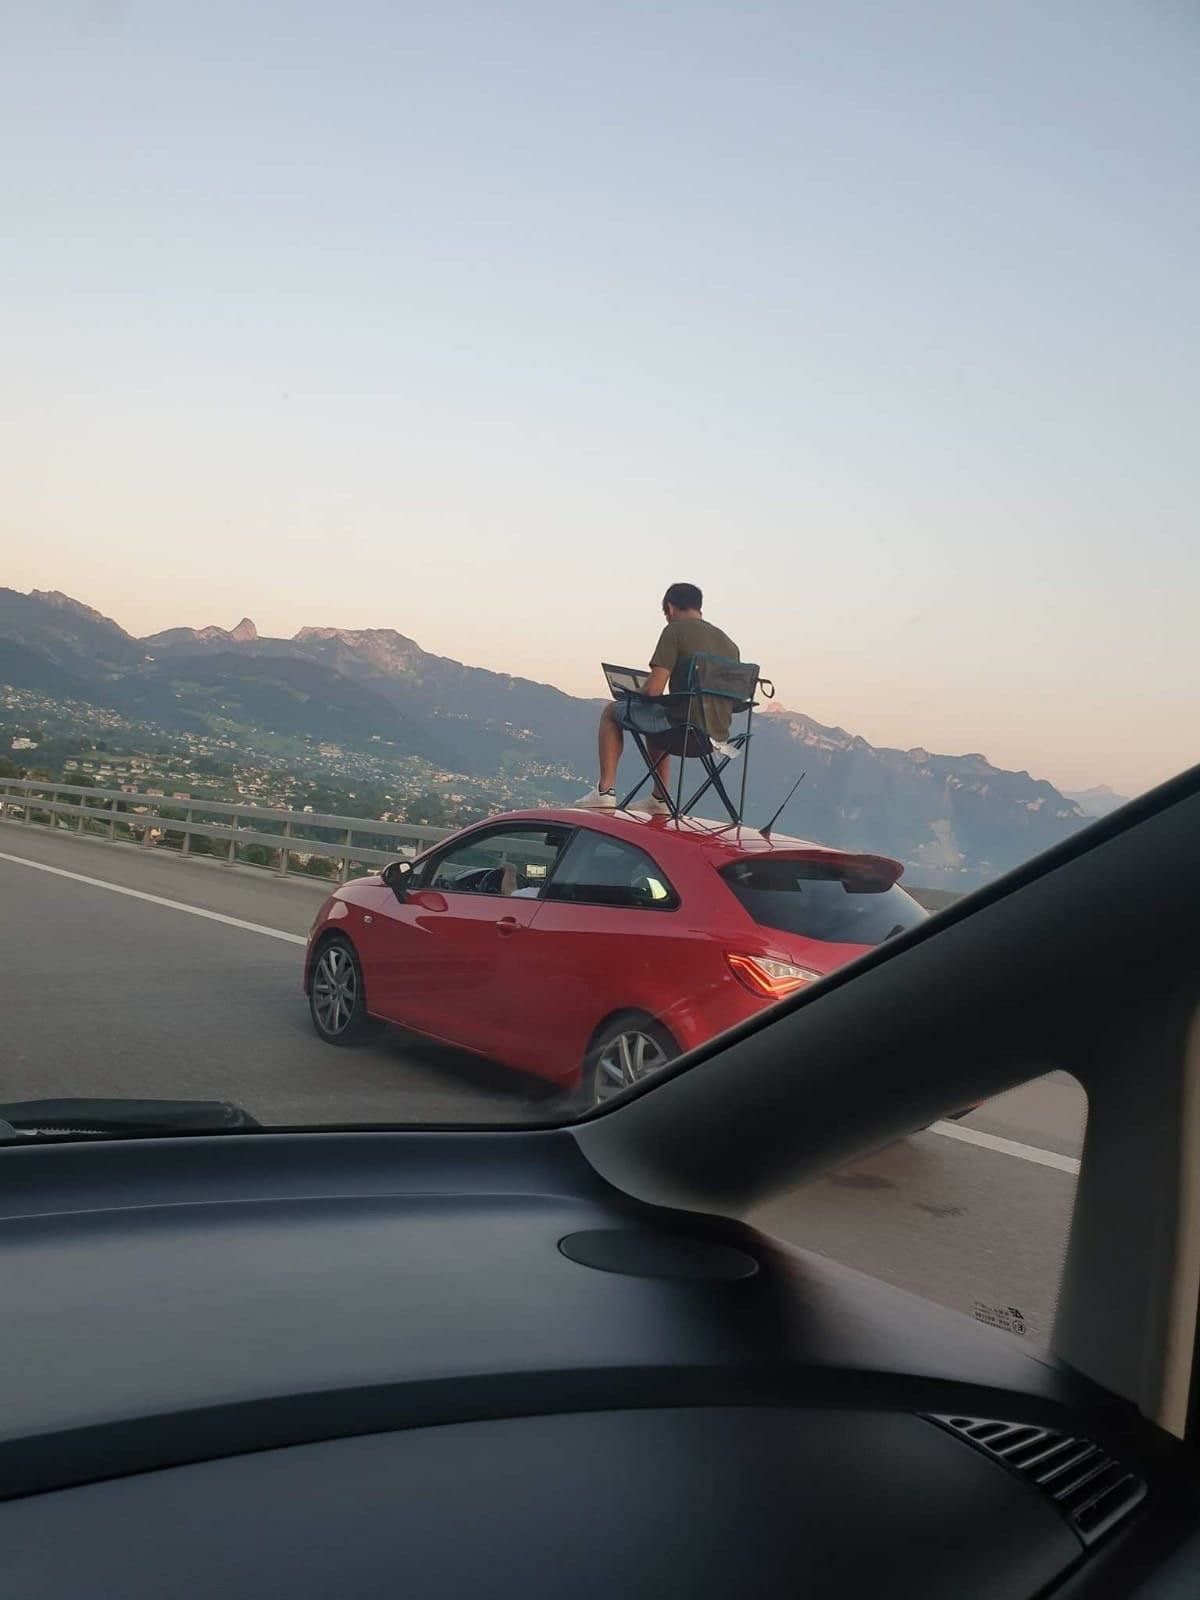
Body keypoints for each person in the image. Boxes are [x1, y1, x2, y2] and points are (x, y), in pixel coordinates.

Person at [576, 582, 739, 811]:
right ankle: (659, 798)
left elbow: (654, 690)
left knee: (611, 712)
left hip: (681, 729)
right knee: (655, 715)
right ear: (698, 606)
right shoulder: (730, 645)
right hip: (715, 738)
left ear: (670, 608)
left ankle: (605, 791)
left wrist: (635, 692)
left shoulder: (675, 630)